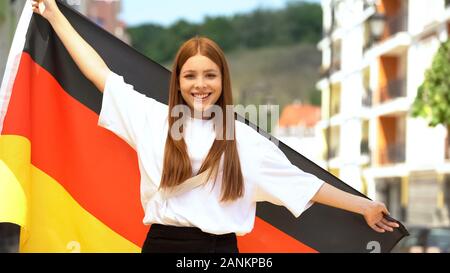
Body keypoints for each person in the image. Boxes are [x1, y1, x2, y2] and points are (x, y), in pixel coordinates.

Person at [31, 0, 400, 253]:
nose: (200, 84)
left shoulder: (243, 140)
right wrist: (54, 15)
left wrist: (364, 206)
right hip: (163, 245)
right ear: (178, 82)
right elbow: (100, 75)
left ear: (223, 81)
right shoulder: (152, 119)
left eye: (210, 75)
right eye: (190, 75)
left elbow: (303, 184)